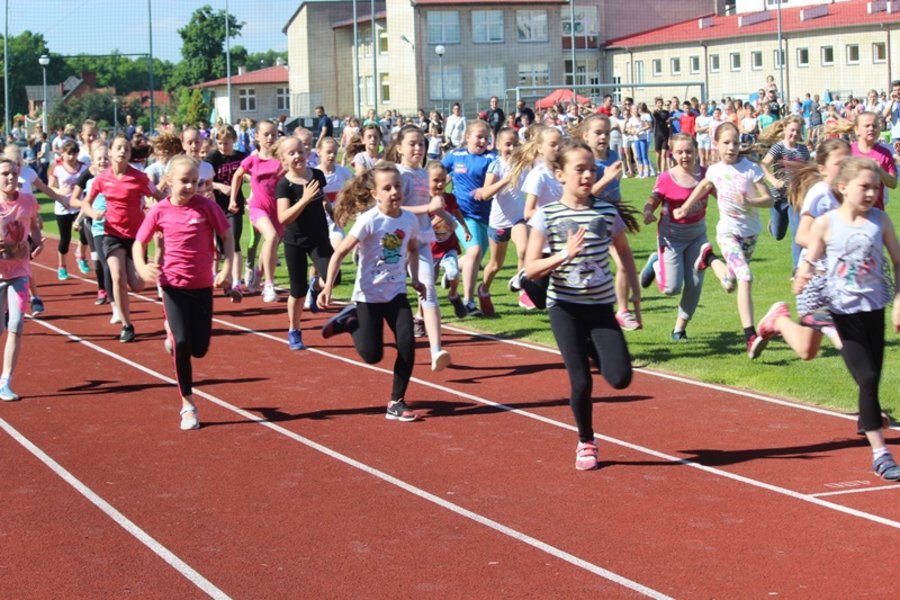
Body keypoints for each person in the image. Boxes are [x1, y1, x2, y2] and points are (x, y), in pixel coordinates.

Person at [524, 140, 637, 471]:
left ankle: (592, 345)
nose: (588, 175)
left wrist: (632, 296)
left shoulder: (606, 212)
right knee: (582, 381)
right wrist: (563, 255)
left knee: (619, 378)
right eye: (580, 169)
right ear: (559, 174)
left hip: (600, 307)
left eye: (592, 169)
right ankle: (586, 441)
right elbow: (530, 268)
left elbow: (624, 251)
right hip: (566, 309)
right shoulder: (547, 215)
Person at [792, 157, 900, 481]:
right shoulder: (826, 223)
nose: (870, 194)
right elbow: (809, 259)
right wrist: (802, 275)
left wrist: (898, 302)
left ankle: (868, 422)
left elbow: (898, 260)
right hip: (841, 312)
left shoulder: (880, 221)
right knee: (866, 377)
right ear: (843, 187)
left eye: (876, 188)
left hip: (873, 308)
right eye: (864, 187)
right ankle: (881, 453)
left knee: (873, 381)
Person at [133, 155, 235, 430]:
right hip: (172, 285)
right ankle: (188, 405)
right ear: (168, 182)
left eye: (195, 181)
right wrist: (142, 266)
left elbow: (227, 236)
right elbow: (139, 242)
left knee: (199, 348)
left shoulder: (206, 207)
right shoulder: (159, 211)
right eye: (184, 181)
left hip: (202, 284)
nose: (190, 187)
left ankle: (174, 335)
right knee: (181, 342)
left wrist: (227, 270)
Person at [318, 162, 425, 422]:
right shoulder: (369, 220)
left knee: (408, 344)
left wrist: (415, 279)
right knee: (372, 355)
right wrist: (328, 287)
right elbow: (340, 252)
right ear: (375, 193)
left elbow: (411, 249)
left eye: (397, 186)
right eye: (386, 188)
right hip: (368, 296)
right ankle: (352, 321)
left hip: (396, 292)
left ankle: (396, 401)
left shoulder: (409, 220)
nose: (393, 192)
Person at [673, 122, 773, 358]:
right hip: (727, 232)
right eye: (726, 143)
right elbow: (703, 186)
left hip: (750, 234)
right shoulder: (715, 170)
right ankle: (750, 336)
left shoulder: (751, 169)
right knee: (746, 277)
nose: (731, 147)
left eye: (735, 143)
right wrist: (685, 208)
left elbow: (768, 200)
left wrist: (750, 202)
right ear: (716, 144)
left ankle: (707, 257)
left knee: (732, 282)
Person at [641, 133, 732, 340]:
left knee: (694, 284)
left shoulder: (705, 174)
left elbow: (721, 195)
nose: (685, 156)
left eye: (689, 151)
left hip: (697, 236)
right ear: (672, 154)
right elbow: (653, 198)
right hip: (671, 238)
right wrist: (648, 211)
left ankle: (679, 329)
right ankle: (655, 262)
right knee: (670, 288)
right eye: (680, 152)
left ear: (696, 151)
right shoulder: (666, 177)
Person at [84, 135, 164, 342]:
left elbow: (160, 198)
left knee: (137, 285)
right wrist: (93, 215)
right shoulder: (102, 179)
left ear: (130, 154)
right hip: (111, 234)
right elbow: (86, 203)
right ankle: (127, 325)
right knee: (117, 276)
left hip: (137, 237)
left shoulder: (139, 178)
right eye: (118, 148)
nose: (122, 152)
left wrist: (167, 215)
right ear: (110, 152)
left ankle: (135, 271)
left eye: (126, 149)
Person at [387, 127, 452, 371]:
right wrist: (428, 209)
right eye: (412, 144)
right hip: (397, 241)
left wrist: (448, 217)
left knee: (429, 290)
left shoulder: (425, 174)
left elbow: (430, 205)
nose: (418, 149)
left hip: (422, 240)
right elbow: (397, 210)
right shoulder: (398, 175)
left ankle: (436, 350)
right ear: (400, 148)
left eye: (422, 145)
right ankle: (357, 315)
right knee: (385, 289)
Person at [274, 136, 332, 351]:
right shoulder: (284, 185)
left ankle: (315, 287)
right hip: (295, 241)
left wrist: (331, 208)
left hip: (319, 237)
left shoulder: (316, 174)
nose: (297, 156)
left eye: (300, 151)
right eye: (291, 153)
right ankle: (294, 330)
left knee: (333, 278)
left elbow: (322, 196)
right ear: (283, 159)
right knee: (297, 291)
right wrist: (305, 199)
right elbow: (283, 218)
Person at [442, 120, 497, 316]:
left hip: (487, 216)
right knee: (474, 252)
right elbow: (439, 172)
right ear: (467, 138)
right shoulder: (456, 156)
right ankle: (468, 301)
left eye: (486, 138)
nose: (482, 141)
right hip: (462, 215)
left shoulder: (492, 158)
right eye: (479, 137)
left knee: (475, 257)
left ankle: (452, 267)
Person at [0, 158, 43, 401]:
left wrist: (36, 244)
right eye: (5, 173)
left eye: (14, 173)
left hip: (19, 273)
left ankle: (5, 380)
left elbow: (35, 225)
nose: (10, 178)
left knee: (16, 325)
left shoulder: (28, 201)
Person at [229, 120, 283, 303]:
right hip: (258, 208)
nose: (270, 138)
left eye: (273, 134)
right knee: (271, 237)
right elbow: (237, 176)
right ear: (257, 137)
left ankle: (258, 275)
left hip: (278, 210)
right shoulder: (252, 160)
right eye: (266, 134)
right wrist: (233, 199)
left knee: (272, 244)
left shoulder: (281, 161)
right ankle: (269, 284)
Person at [478, 127, 529, 308]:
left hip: (518, 219)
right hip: (498, 222)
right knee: (495, 265)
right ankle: (484, 288)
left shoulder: (523, 163)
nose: (511, 148)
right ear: (498, 145)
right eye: (508, 144)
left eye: (515, 144)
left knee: (523, 250)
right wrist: (505, 180)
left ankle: (523, 290)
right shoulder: (496, 165)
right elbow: (485, 194)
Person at [760, 116, 810, 269]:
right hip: (778, 199)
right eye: (792, 130)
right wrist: (774, 181)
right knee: (778, 235)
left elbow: (808, 170)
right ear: (785, 130)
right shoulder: (778, 148)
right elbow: (762, 165)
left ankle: (797, 270)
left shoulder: (803, 150)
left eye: (798, 131)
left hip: (795, 198)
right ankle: (773, 224)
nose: (794, 134)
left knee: (797, 233)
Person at [426, 161, 470, 318]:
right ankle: (423, 314)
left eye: (443, 181)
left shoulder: (450, 198)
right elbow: (420, 226)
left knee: (453, 273)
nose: (439, 184)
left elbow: (457, 213)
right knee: (429, 283)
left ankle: (453, 295)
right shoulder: (424, 202)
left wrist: (464, 227)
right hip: (429, 250)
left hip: (447, 247)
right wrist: (436, 219)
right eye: (435, 180)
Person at [206, 124, 248, 289]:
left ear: (234, 141)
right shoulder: (212, 158)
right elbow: (206, 181)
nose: (223, 146)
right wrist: (219, 186)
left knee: (235, 240)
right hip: (216, 205)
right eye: (220, 143)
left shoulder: (241, 157)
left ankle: (236, 281)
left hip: (235, 204)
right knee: (220, 245)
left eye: (227, 143)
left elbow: (251, 175)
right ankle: (218, 274)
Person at [48, 139, 88, 280]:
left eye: (74, 154)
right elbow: (49, 188)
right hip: (63, 207)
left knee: (85, 235)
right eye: (68, 154)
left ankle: (81, 256)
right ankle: (62, 266)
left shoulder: (84, 167)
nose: (71, 157)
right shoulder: (57, 168)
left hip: (79, 206)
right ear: (62, 154)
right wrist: (60, 192)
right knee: (65, 239)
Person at [652, 97, 671, 175]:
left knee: (664, 154)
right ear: (656, 104)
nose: (660, 104)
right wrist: (655, 110)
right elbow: (653, 114)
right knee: (658, 155)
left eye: (661, 102)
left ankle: (663, 172)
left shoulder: (666, 112)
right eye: (658, 103)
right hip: (657, 135)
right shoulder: (655, 113)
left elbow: (668, 121)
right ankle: (658, 169)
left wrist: (669, 122)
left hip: (665, 135)